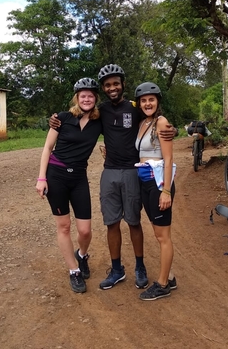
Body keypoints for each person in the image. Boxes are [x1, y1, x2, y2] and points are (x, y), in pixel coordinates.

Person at [50, 64, 176, 292]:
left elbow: (154, 117)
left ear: (123, 84)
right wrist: (56, 120)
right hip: (109, 172)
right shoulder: (101, 112)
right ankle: (117, 269)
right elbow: (77, 117)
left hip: (131, 172)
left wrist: (171, 129)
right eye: (107, 85)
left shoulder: (135, 108)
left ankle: (140, 267)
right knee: (112, 222)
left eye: (116, 83)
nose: (112, 88)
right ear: (104, 89)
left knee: (134, 221)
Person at [36, 78, 103, 293]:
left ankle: (81, 255)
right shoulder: (62, 119)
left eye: (90, 96)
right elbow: (47, 148)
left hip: (79, 177)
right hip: (56, 176)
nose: (86, 99)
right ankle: (74, 271)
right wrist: (41, 178)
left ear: (95, 99)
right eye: (82, 95)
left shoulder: (98, 122)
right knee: (63, 226)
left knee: (85, 230)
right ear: (77, 98)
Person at [134, 82, 177, 301]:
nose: (147, 103)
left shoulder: (161, 122)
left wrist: (166, 191)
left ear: (158, 101)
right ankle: (169, 276)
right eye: (143, 100)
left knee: (163, 236)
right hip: (145, 182)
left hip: (159, 183)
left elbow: (168, 158)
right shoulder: (143, 123)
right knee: (157, 232)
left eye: (151, 99)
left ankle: (162, 285)